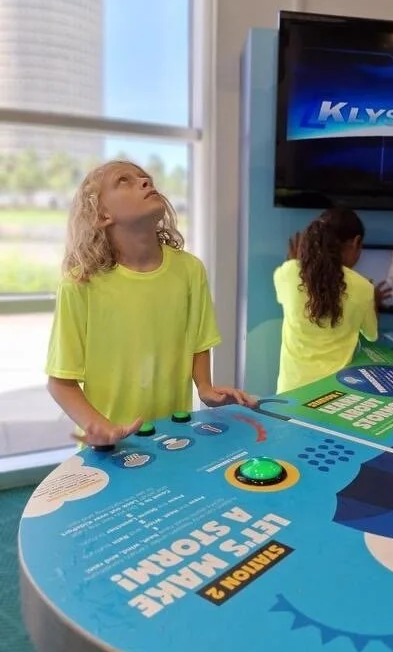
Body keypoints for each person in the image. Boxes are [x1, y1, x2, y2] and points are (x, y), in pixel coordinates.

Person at [46, 159, 255, 447]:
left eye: (145, 178)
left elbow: (198, 342)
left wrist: (205, 387)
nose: (146, 182)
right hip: (111, 447)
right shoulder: (80, 284)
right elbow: (60, 383)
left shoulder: (190, 270)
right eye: (124, 181)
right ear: (101, 214)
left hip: (175, 438)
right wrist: (101, 427)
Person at [273, 207, 391, 393]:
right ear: (356, 242)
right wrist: (373, 299)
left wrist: (293, 264)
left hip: (290, 391)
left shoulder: (288, 273)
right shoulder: (363, 288)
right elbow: (371, 335)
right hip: (336, 394)